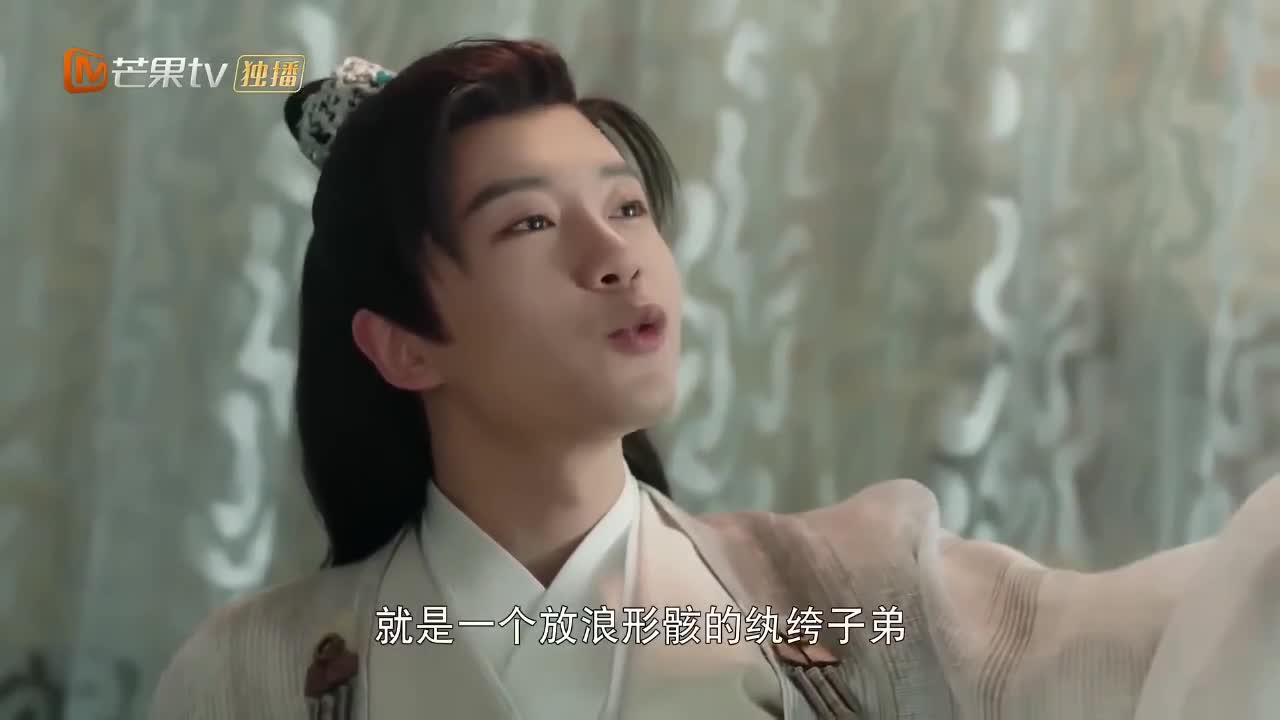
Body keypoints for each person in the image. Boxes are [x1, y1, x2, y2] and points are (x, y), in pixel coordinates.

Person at [151, 39, 1280, 720]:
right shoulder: (256, 674)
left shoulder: (859, 596)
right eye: (530, 223)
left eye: (628, 205)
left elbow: (1180, 634)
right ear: (404, 344)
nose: (616, 255)